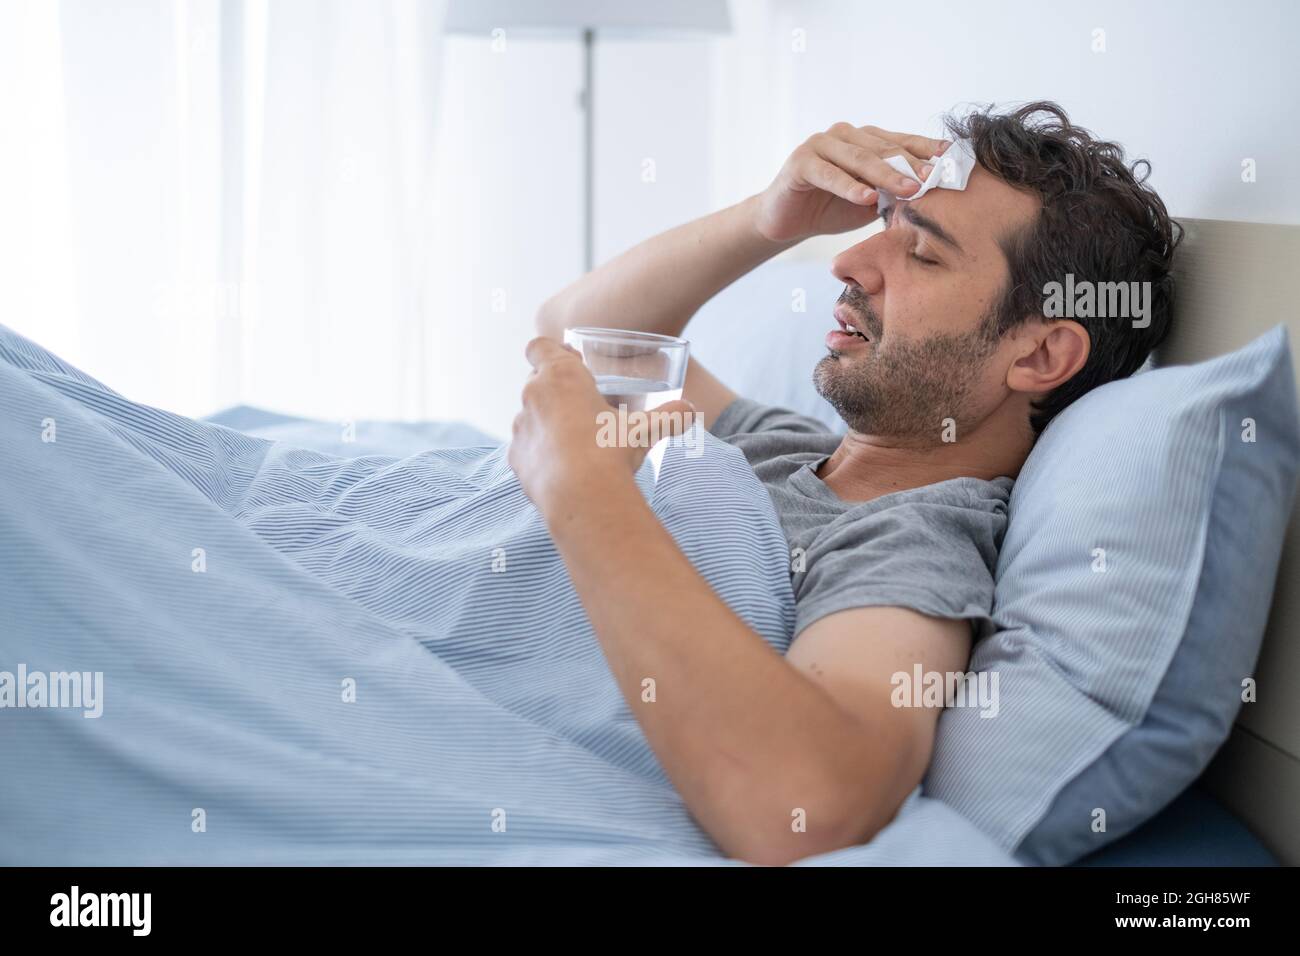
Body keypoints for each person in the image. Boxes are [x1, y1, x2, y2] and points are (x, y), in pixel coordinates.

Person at [508, 101, 1182, 865]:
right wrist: (768, 222)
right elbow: (574, 331)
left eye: (921, 255)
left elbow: (811, 804)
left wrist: (581, 489)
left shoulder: (912, 537)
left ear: (1038, 356)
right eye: (883, 226)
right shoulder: (787, 445)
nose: (848, 265)